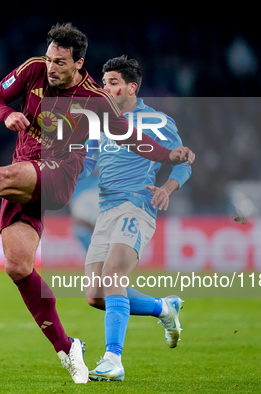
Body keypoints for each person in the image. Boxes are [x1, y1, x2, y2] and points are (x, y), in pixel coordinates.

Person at [0, 23, 195, 384]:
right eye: (51, 59)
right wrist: (6, 114)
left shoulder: (95, 100)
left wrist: (169, 154)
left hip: (57, 175)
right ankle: (68, 347)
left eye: (60, 62)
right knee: (18, 267)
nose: (52, 67)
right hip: (28, 177)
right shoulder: (34, 69)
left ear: (79, 63)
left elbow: (133, 138)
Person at [76, 55, 192, 381]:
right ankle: (164, 308)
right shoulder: (101, 124)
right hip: (106, 210)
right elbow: (86, 165)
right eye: (104, 83)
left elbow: (183, 163)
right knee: (95, 295)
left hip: (137, 205)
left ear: (131, 87)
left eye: (113, 83)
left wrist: (167, 188)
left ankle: (113, 359)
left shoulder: (155, 120)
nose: (106, 88)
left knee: (113, 274)